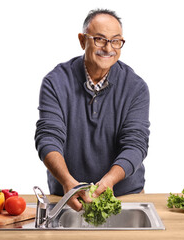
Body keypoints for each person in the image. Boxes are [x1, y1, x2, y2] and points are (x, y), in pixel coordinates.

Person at [35, 9, 150, 212]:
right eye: (99, 39)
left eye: (116, 41)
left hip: (123, 196)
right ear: (82, 41)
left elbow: (136, 144)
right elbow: (48, 138)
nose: (108, 48)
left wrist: (109, 180)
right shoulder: (55, 82)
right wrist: (68, 182)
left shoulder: (136, 87)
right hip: (66, 196)